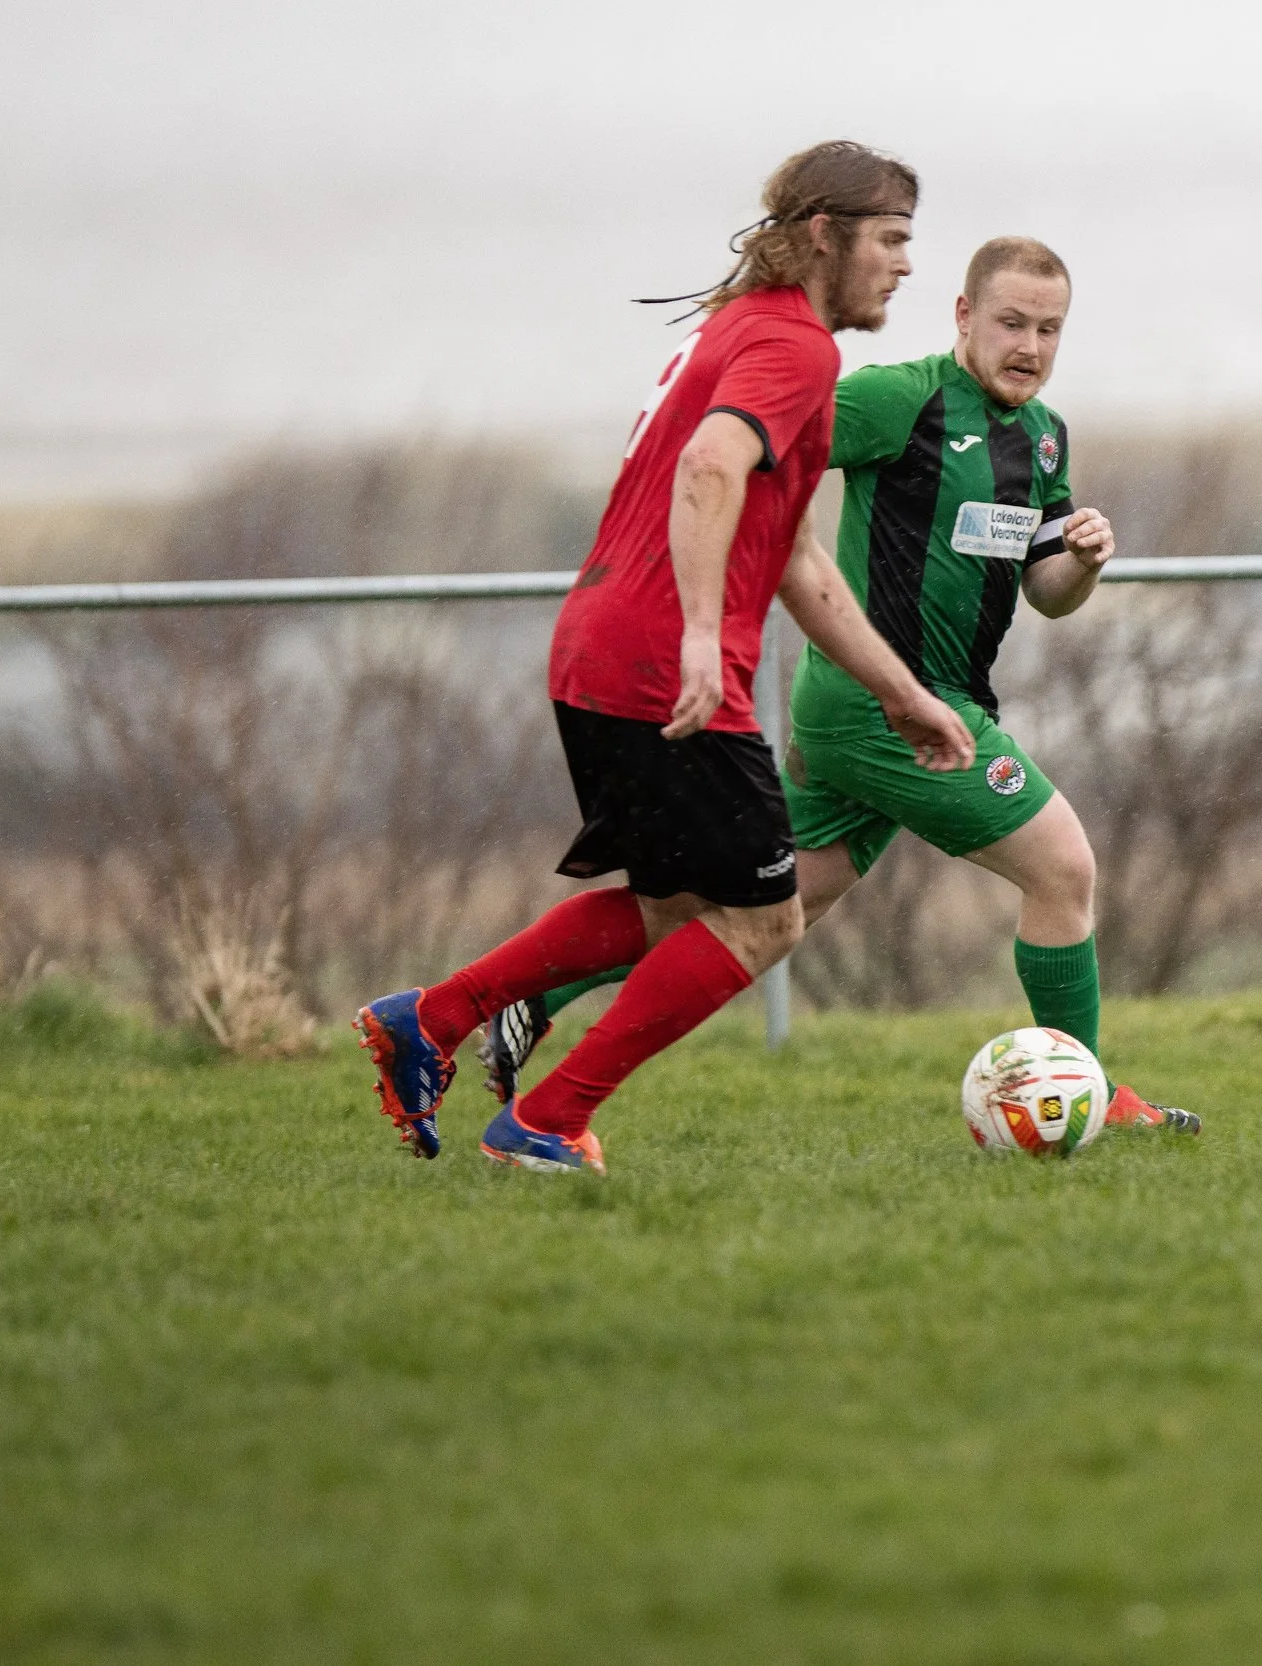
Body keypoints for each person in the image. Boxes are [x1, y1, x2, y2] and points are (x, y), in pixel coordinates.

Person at [354, 141, 975, 1174]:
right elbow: (709, 463)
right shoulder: (795, 349)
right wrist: (698, 634)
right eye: (892, 239)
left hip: (597, 648)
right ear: (824, 234)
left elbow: (797, 561)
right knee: (768, 919)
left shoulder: (738, 327)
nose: (906, 265)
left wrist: (901, 693)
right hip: (663, 667)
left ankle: (435, 1018)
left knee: (680, 908)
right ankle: (544, 1120)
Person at [486, 236, 1197, 1135]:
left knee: (752, 909)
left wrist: (1084, 562)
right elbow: (747, 451)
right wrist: (715, 584)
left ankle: (532, 1000)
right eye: (1012, 323)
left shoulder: (1044, 438)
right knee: (1063, 869)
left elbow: (1047, 596)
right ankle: (1088, 1094)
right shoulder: (901, 399)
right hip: (885, 710)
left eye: (1049, 330)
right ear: (964, 317)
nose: (1030, 346)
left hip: (913, 709)